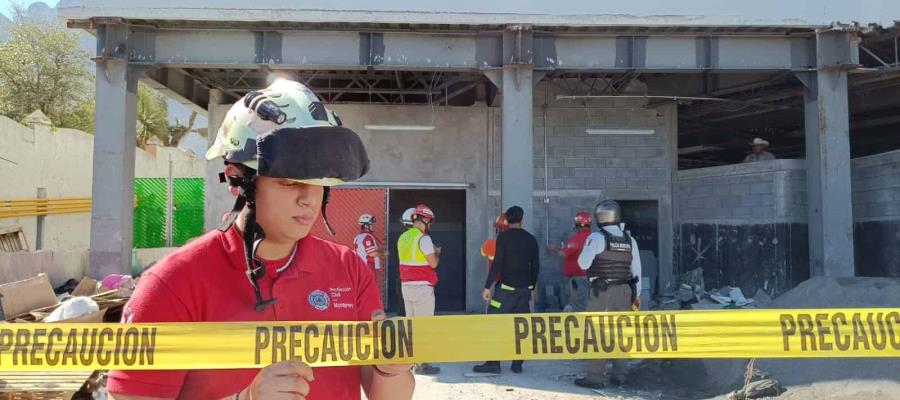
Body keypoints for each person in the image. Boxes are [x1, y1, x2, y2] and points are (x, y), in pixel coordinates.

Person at [107, 79, 414, 400]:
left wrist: (389, 369)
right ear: (239, 180)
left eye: (320, 181)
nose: (309, 198)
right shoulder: (173, 282)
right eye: (290, 181)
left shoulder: (348, 270)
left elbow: (389, 396)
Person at [574, 200, 642, 390]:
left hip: (602, 292)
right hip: (626, 291)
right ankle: (620, 376)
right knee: (621, 334)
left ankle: (595, 378)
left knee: (596, 333)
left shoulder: (596, 238)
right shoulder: (630, 240)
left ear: (598, 217)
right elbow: (636, 271)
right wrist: (636, 296)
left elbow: (583, 264)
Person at [473, 206, 539, 374]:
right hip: (524, 290)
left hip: (505, 290)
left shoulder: (503, 238)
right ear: (522, 220)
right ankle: (517, 364)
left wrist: (487, 286)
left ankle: (493, 363)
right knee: (521, 326)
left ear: (507, 221)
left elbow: (498, 264)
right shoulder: (531, 239)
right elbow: (536, 266)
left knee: (495, 323)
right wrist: (532, 287)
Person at [397, 204, 441, 375]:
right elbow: (433, 263)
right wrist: (437, 252)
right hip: (422, 287)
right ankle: (422, 364)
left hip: (406, 286)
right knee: (424, 326)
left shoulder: (403, 238)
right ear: (426, 220)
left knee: (411, 325)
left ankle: (412, 361)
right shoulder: (424, 239)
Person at [547, 211, 592, 312]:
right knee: (588, 303)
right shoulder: (594, 238)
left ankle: (580, 326)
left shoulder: (576, 239)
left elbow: (563, 253)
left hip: (579, 279)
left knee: (579, 305)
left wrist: (554, 248)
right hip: (591, 278)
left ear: (577, 225)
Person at [354, 213, 386, 302]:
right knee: (370, 290)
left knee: (364, 290)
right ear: (366, 225)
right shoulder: (367, 237)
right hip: (368, 267)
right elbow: (372, 253)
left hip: (362, 267)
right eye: (371, 224)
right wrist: (383, 253)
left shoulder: (358, 237)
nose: (373, 226)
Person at [479, 213, 509, 290]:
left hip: (500, 284)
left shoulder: (490, 244)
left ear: (498, 230)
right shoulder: (518, 245)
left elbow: (482, 251)